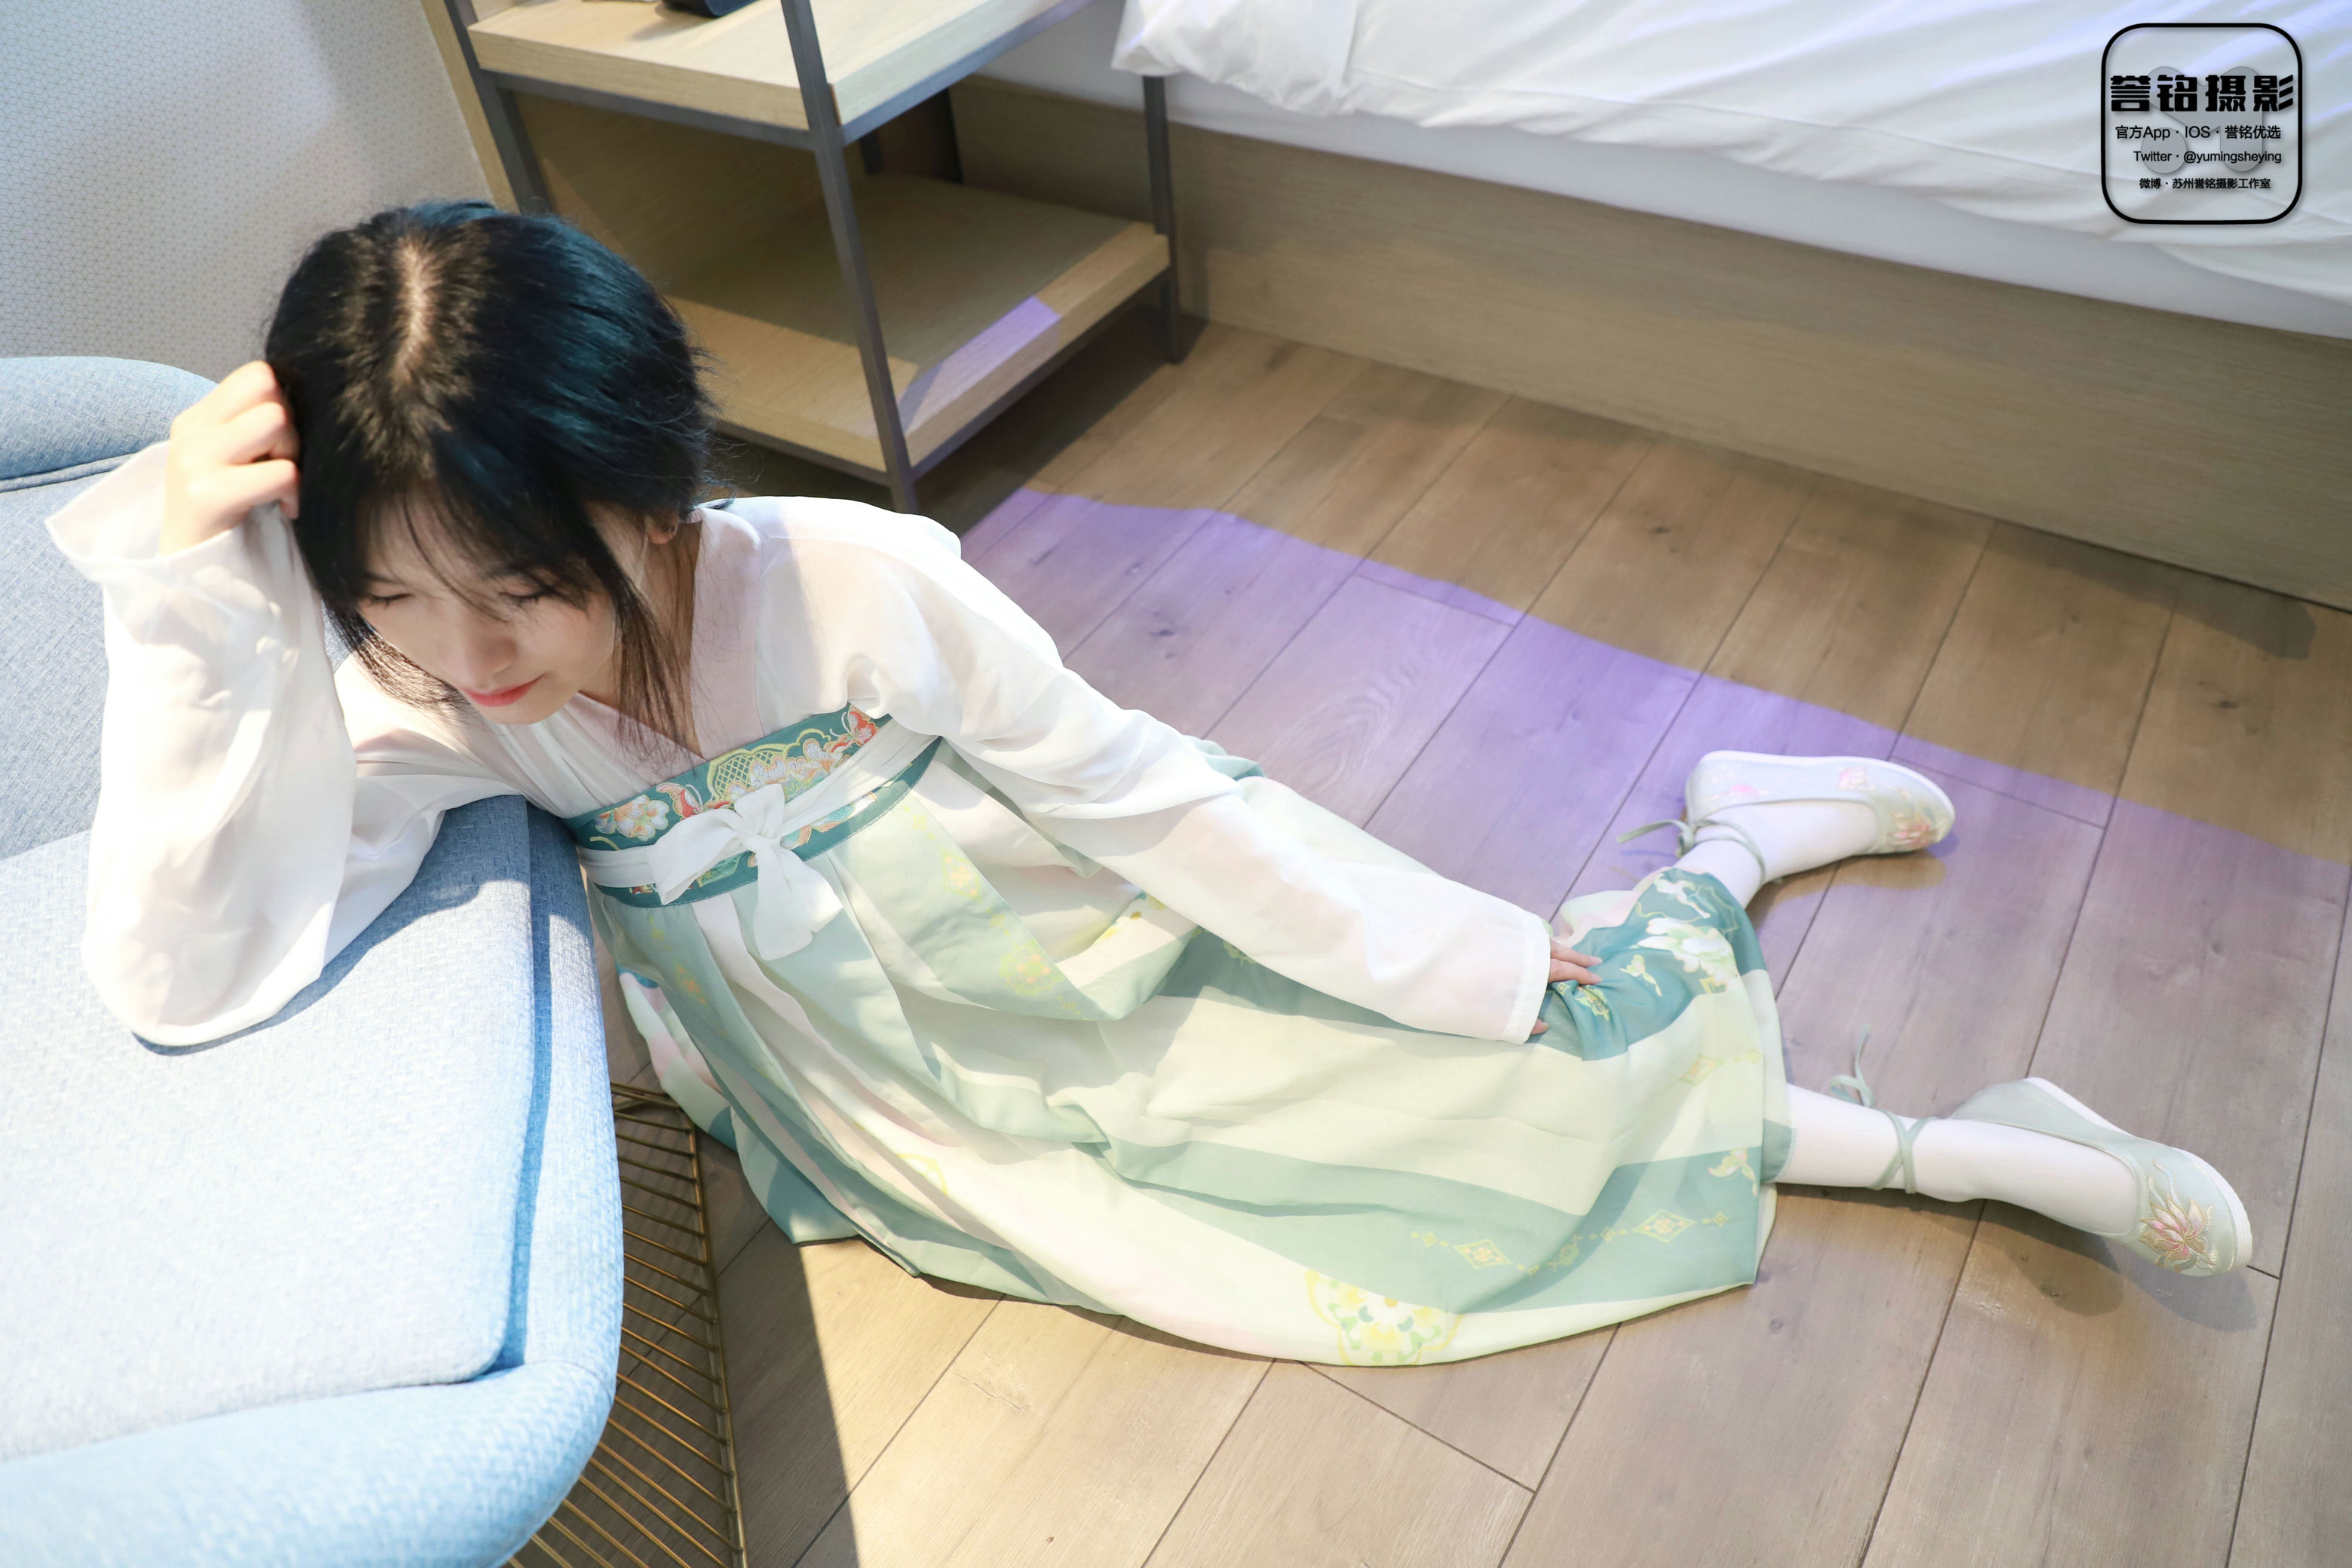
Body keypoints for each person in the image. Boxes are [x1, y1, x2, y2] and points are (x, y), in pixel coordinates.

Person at [48, 202, 2247, 1367]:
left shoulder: (851, 584)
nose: (473, 650)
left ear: (654, 485)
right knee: (1266, 1211)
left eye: (527, 582)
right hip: (914, 1093)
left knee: (1483, 1075)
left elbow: (1149, 801)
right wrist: (186, 601)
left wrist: (1475, 958)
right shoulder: (429, 701)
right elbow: (190, 970)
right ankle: (1759, 866)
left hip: (1090, 958)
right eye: (392, 600)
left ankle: (1931, 1113)